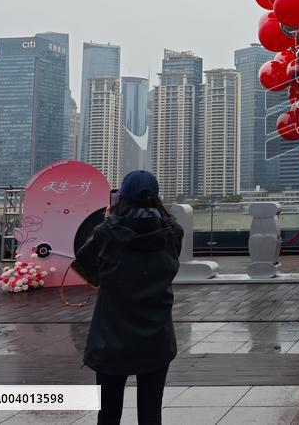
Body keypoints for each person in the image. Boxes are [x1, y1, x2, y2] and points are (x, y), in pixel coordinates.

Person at [75, 170, 183, 425]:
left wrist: (108, 220)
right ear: (156, 198)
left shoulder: (105, 232)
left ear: (121, 197)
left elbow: (85, 262)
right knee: (151, 413)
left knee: (109, 413)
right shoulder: (173, 232)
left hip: (111, 337)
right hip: (156, 335)